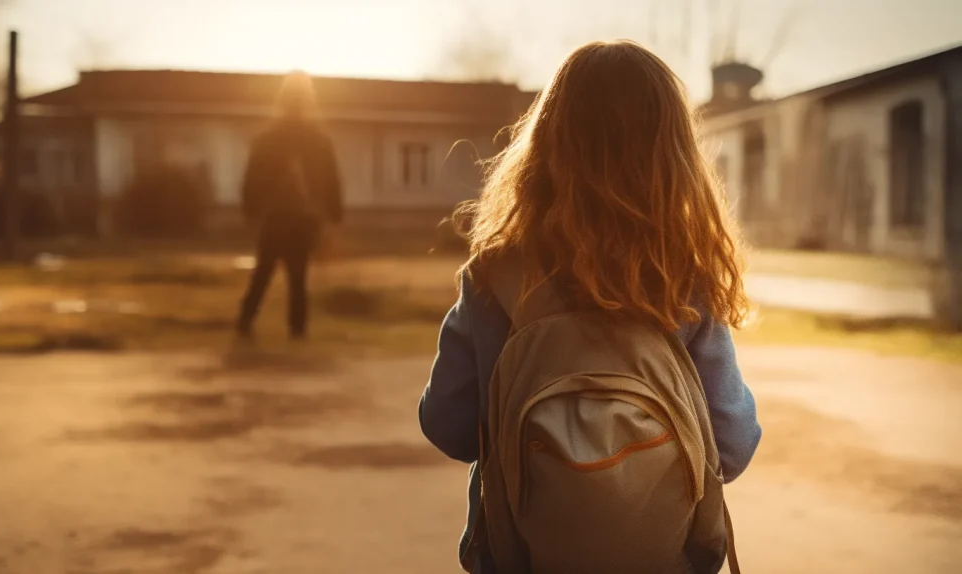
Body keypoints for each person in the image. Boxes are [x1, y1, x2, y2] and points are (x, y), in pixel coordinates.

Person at [418, 40, 762, 573]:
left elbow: (447, 423)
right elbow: (733, 445)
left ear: (546, 145)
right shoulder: (682, 279)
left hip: (523, 559)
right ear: (672, 156)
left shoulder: (497, 275)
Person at [237, 71, 343, 340]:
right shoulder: (317, 140)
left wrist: (250, 208)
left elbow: (252, 176)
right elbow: (330, 178)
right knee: (297, 276)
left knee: (264, 273)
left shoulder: (269, 139)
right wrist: (334, 212)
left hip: (277, 217)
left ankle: (246, 323)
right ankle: (296, 330)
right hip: (300, 218)